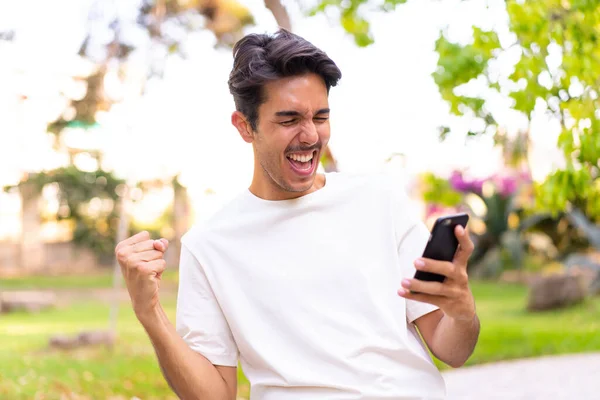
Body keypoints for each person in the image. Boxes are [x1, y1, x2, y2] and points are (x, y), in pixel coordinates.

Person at [116, 29, 480, 400]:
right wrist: (150, 313)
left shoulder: (380, 201)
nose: (310, 136)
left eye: (320, 117)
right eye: (289, 120)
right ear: (245, 127)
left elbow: (452, 350)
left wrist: (462, 311)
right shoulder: (209, 246)